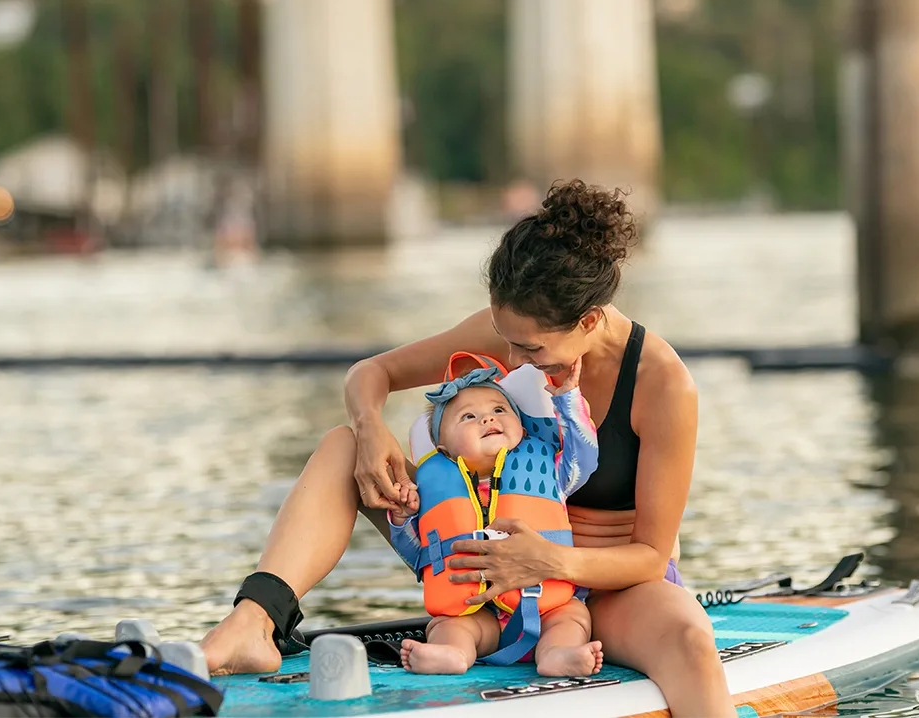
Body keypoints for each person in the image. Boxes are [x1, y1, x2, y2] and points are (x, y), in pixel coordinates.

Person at [201, 179, 736, 717]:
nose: (512, 361)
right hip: (473, 572)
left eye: (529, 347)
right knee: (343, 448)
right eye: (505, 338)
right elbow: (372, 372)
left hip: (603, 588)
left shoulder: (662, 384)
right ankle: (253, 624)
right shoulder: (509, 331)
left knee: (692, 641)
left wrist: (547, 560)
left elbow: (649, 555)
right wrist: (371, 429)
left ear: (590, 320)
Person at [389, 363, 602, 676]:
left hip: (548, 607)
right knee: (446, 625)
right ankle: (453, 653)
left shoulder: (551, 471)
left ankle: (558, 655)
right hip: (478, 613)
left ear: (520, 426)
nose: (488, 418)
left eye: (500, 409)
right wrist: (400, 519)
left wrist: (567, 400)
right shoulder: (434, 489)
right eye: (469, 417)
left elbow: (584, 456)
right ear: (444, 448)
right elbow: (420, 556)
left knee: (574, 616)